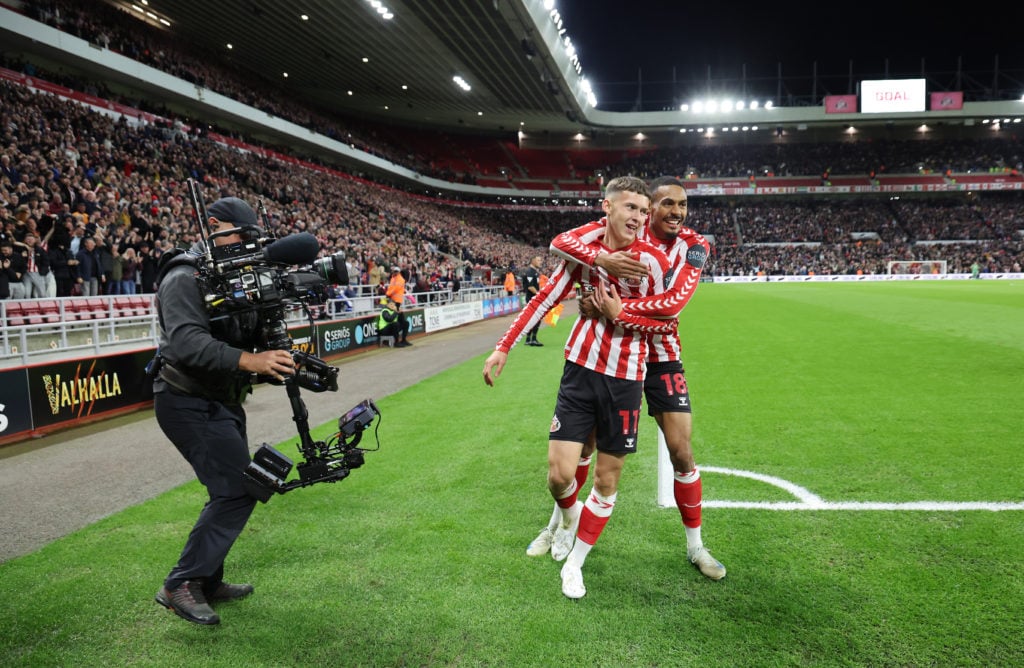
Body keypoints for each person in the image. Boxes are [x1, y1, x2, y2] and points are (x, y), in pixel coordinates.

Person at [482, 176, 678, 600]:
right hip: (580, 373)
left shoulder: (653, 262)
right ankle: (567, 522)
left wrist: (620, 312)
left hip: (626, 379)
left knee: (607, 481)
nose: (639, 218)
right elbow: (543, 300)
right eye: (631, 208)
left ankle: (574, 562)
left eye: (644, 212)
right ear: (606, 208)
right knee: (560, 475)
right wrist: (503, 348)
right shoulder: (584, 255)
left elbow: (667, 319)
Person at [542, 175, 725, 581]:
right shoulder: (625, 231)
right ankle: (560, 524)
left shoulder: (694, 245)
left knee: (681, 450)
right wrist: (595, 277)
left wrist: (617, 310)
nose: (675, 213)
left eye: (682, 205)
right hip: (614, 356)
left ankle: (696, 546)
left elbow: (674, 304)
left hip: (661, 356)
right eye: (666, 205)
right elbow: (563, 245)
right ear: (648, 208)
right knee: (582, 448)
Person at [152, 196, 297, 626]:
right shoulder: (183, 275)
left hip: (224, 399)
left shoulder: (235, 277)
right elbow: (186, 343)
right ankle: (181, 584)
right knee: (238, 488)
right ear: (213, 226)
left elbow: (245, 342)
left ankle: (208, 581)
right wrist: (251, 362)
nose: (250, 248)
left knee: (229, 489)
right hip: (184, 399)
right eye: (243, 237)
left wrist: (273, 364)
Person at [521, 255, 543, 346]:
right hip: (532, 299)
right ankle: (532, 339)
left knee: (533, 319)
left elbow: (535, 285)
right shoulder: (529, 272)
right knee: (537, 319)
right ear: (533, 261)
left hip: (533, 299)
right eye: (538, 260)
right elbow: (530, 287)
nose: (540, 262)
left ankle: (529, 339)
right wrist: (539, 295)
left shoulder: (535, 272)